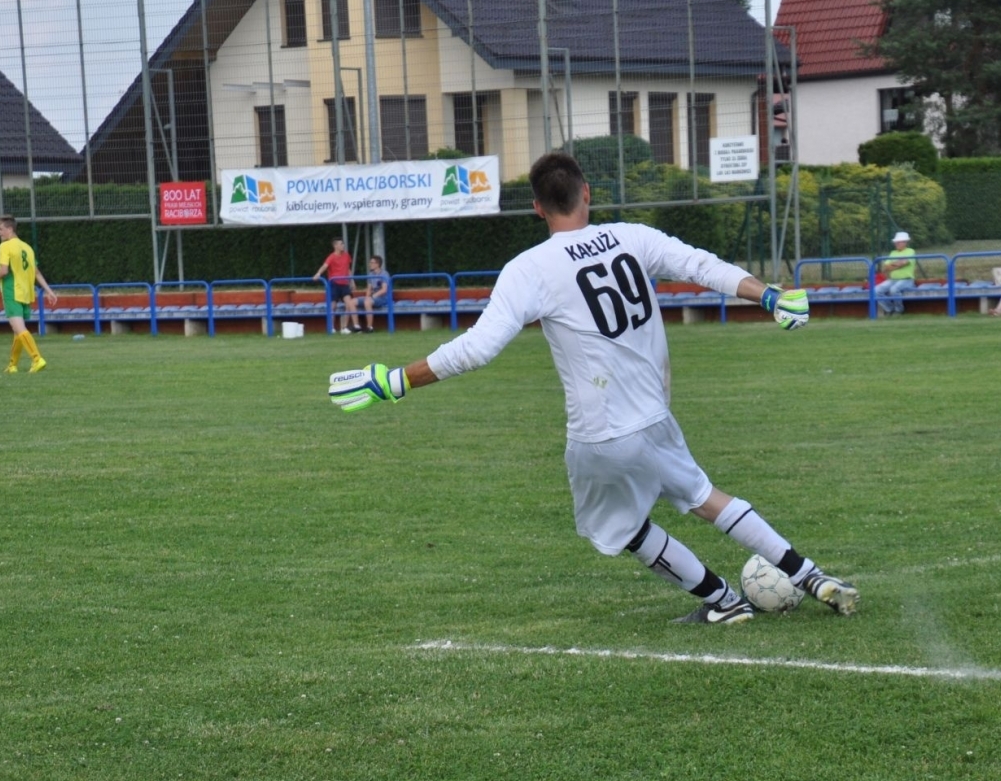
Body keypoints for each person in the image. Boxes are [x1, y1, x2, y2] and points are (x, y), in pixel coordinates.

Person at [327, 152, 857, 625]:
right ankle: (810, 575)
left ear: (537, 208)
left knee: (621, 528)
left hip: (600, 431)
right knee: (704, 498)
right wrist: (767, 295)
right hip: (655, 416)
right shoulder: (631, 236)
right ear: (587, 193)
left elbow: (478, 348)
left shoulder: (530, 267)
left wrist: (393, 381)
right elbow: (700, 265)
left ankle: (720, 598)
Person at [0, 215, 57, 373]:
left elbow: (3, 271)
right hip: (26, 293)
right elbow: (36, 273)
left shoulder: (5, 246)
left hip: (12, 291)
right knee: (17, 331)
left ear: (10, 229)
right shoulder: (27, 247)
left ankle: (37, 359)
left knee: (19, 328)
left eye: (0, 229)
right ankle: (12, 365)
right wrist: (49, 291)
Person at [312, 237, 363, 333]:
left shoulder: (346, 255)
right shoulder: (331, 257)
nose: (343, 245)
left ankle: (354, 326)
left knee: (350, 303)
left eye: (343, 244)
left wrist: (352, 281)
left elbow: (348, 269)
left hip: (344, 284)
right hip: (334, 284)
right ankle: (331, 327)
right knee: (333, 306)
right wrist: (318, 273)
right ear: (335, 246)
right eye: (341, 244)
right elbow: (325, 266)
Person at [874, 231, 917, 316]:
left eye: (898, 242)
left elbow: (904, 262)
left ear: (905, 242)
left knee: (894, 289)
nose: (896, 243)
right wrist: (898, 264)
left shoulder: (910, 251)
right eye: (896, 242)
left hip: (906, 280)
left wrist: (893, 265)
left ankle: (898, 310)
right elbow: (885, 267)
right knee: (876, 290)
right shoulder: (893, 253)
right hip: (893, 280)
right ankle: (889, 309)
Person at [363, 255, 390, 330]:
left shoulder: (384, 274)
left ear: (377, 264)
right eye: (370, 262)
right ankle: (356, 326)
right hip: (372, 297)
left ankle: (369, 327)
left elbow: (384, 290)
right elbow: (369, 289)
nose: (370, 264)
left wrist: (373, 296)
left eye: (372, 263)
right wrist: (367, 297)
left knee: (367, 302)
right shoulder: (370, 275)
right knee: (351, 302)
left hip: (383, 298)